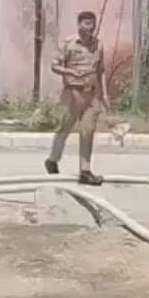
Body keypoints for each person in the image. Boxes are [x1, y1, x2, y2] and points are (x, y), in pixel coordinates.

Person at [45, 10, 110, 185]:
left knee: (87, 131)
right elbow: (54, 65)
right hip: (72, 93)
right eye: (88, 23)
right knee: (64, 128)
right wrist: (70, 71)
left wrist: (104, 93)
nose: (92, 27)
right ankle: (52, 160)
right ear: (79, 24)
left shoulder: (98, 45)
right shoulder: (69, 43)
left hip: (91, 94)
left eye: (93, 24)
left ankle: (85, 170)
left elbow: (101, 70)